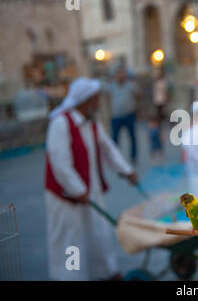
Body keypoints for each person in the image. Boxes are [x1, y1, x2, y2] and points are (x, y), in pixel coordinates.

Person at [45, 78, 138, 280]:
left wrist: (126, 171)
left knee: (98, 234)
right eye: (95, 100)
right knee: (72, 241)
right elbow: (60, 163)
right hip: (67, 197)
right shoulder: (61, 123)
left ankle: (106, 272)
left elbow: (108, 149)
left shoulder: (92, 124)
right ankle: (71, 277)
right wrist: (77, 190)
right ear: (85, 101)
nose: (99, 104)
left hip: (90, 191)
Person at [105, 66, 141, 164]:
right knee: (115, 139)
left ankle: (134, 157)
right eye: (118, 73)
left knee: (132, 137)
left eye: (122, 73)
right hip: (116, 116)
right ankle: (116, 159)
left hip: (129, 115)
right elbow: (108, 98)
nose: (120, 75)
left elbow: (138, 96)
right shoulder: (111, 86)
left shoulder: (131, 85)